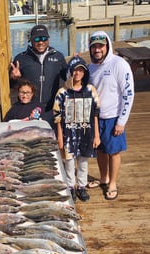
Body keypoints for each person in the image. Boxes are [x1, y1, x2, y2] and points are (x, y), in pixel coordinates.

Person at [88, 31, 134, 200]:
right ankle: (103, 177)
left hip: (114, 116)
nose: (97, 50)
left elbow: (128, 94)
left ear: (107, 45)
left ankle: (112, 183)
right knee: (100, 150)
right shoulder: (91, 68)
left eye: (101, 45)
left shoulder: (119, 64)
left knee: (113, 152)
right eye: (94, 47)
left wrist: (121, 121)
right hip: (96, 117)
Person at [53, 56, 100, 202]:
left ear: (85, 72)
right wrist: (60, 136)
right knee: (69, 161)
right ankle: (70, 186)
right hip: (68, 133)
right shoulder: (62, 92)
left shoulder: (91, 90)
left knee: (83, 161)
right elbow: (57, 116)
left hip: (86, 132)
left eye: (80, 70)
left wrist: (97, 135)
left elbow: (96, 113)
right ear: (70, 72)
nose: (77, 73)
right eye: (74, 70)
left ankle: (81, 186)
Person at [9, 24, 67, 128]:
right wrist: (13, 77)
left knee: (50, 140)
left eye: (44, 38)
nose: (41, 42)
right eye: (36, 39)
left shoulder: (58, 57)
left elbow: (69, 78)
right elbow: (11, 85)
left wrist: (75, 65)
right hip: (28, 109)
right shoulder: (21, 59)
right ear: (31, 40)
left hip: (51, 109)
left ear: (48, 39)